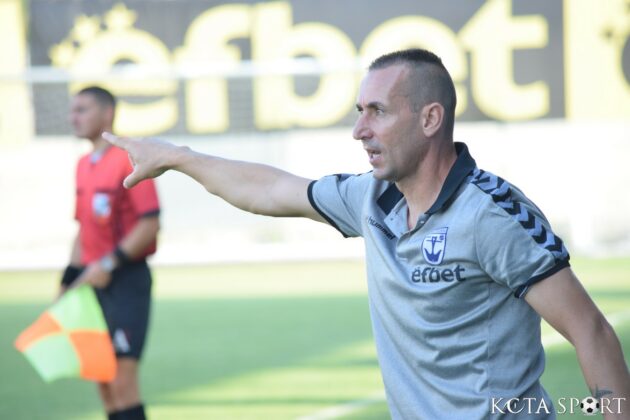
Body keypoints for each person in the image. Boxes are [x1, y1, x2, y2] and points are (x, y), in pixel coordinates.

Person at [105, 49, 629, 418]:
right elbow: (269, 190)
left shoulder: (492, 215)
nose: (360, 131)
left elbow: (592, 332)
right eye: (360, 112)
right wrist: (179, 158)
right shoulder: (370, 198)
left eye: (377, 111)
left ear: (430, 118)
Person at [60, 86, 160, 420]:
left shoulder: (130, 159)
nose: (73, 117)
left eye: (82, 110)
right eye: (72, 110)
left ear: (107, 114)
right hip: (92, 285)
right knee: (102, 380)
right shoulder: (82, 164)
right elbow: (84, 228)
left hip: (126, 281)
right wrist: (67, 280)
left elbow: (150, 223)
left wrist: (108, 263)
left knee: (122, 381)